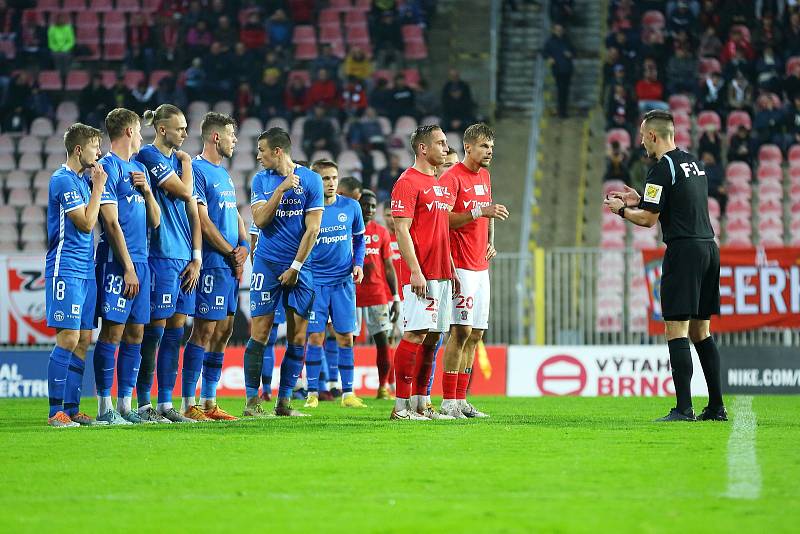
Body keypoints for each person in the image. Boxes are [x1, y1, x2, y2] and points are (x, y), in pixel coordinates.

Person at [604, 110, 726, 422]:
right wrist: (639, 197)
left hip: (683, 250)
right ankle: (716, 406)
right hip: (708, 249)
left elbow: (648, 220)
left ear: (654, 136)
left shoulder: (661, 168)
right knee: (702, 330)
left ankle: (684, 408)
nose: (641, 142)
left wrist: (621, 210)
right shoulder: (692, 162)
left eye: (643, 136)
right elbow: (676, 201)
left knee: (676, 329)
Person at [243, 128, 323, 417]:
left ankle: (284, 403)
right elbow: (261, 220)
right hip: (267, 263)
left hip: (301, 268)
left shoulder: (312, 180)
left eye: (262, 150)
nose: (258, 155)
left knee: (298, 337)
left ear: (278, 150)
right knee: (260, 332)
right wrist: (281, 189)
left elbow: (313, 229)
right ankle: (252, 403)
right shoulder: (260, 180)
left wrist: (296, 267)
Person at [134, 104, 203, 423]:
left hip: (183, 257)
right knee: (155, 332)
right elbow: (185, 192)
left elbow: (193, 212)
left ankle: (165, 405)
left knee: (176, 331)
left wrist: (196, 256)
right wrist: (188, 162)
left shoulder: (177, 160)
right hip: (159, 255)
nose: (186, 134)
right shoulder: (150, 157)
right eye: (180, 129)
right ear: (162, 130)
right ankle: (144, 404)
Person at [94, 108, 162, 425]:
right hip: (118, 264)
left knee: (136, 333)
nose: (142, 136)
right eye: (139, 130)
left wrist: (147, 191)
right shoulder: (107, 167)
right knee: (113, 331)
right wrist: (128, 267)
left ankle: (125, 404)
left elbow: (156, 220)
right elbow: (110, 224)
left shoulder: (138, 171)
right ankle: (104, 407)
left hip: (143, 261)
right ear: (130, 131)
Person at [182, 112, 249, 421]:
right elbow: (203, 221)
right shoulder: (197, 170)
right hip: (211, 262)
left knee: (223, 330)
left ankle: (210, 402)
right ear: (216, 137)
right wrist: (230, 251)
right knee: (203, 330)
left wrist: (244, 245)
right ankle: (188, 403)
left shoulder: (223, 173)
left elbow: (233, 215)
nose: (236, 140)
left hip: (228, 263)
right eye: (232, 134)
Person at [439, 124, 508, 418]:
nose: (489, 151)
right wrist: (480, 212)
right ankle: (448, 401)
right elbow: (443, 221)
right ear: (468, 147)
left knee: (477, 334)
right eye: (484, 146)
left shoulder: (485, 175)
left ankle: (462, 400)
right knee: (460, 331)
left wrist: (491, 242)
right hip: (461, 266)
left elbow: (487, 212)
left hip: (481, 266)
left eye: (491, 146)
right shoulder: (452, 177)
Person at [389, 124, 457, 421]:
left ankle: (420, 404)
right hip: (421, 273)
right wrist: (415, 271)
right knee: (415, 335)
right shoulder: (407, 182)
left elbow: (440, 231)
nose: (445, 148)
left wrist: (451, 267)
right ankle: (401, 407)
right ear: (423, 148)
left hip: (441, 271)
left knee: (434, 338)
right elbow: (401, 230)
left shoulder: (439, 185)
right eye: (440, 143)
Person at [44, 124, 107, 427]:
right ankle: (55, 411)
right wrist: (98, 189)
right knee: (67, 337)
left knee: (83, 339)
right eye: (95, 147)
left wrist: (93, 187)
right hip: (65, 267)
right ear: (79, 149)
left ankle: (71, 409)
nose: (99, 153)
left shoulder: (82, 180)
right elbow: (84, 223)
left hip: (86, 268)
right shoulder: (63, 180)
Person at [303, 160, 367, 409]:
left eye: (333, 178)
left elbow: (359, 240)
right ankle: (312, 393)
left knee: (345, 338)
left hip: (343, 283)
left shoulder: (351, 206)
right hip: (315, 283)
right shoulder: (308, 210)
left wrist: (358, 264)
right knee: (316, 338)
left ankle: (348, 393)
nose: (330, 183)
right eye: (325, 178)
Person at [356, 189, 400, 399]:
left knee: (383, 342)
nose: (370, 209)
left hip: (377, 294)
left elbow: (389, 267)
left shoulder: (381, 232)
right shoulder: (348, 229)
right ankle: (343, 388)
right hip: (352, 295)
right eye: (366, 205)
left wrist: (396, 298)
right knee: (347, 342)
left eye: (373, 206)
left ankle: (383, 387)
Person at [543, 23, 575, 118]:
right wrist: (549, 58)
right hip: (557, 69)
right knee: (560, 90)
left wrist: (570, 54)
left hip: (567, 69)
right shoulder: (550, 41)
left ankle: (563, 111)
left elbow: (574, 51)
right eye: (557, 30)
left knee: (565, 91)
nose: (559, 31)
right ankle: (561, 111)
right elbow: (544, 52)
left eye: (560, 30)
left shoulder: (567, 41)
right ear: (553, 30)